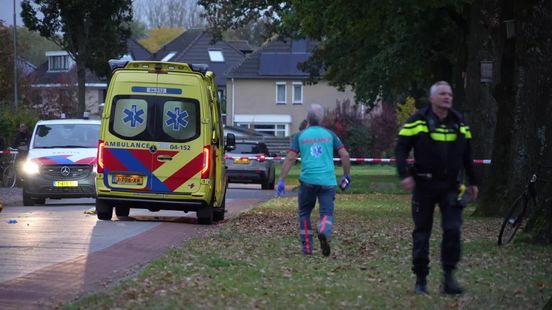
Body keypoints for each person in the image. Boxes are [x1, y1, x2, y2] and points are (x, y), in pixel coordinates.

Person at [395, 81, 479, 295]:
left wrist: (474, 182)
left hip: (451, 186)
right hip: (424, 185)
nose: (447, 97)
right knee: (422, 233)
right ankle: (421, 279)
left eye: (449, 94)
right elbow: (401, 148)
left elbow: (468, 155)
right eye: (442, 94)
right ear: (432, 98)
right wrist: (404, 175)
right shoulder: (418, 121)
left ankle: (449, 278)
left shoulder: (460, 122)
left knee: (452, 230)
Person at [276, 104, 351, 256]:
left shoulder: (300, 136)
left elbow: (290, 158)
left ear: (308, 119)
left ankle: (307, 248)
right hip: (327, 182)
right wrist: (346, 175)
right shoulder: (330, 135)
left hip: (308, 182)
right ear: (321, 119)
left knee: (304, 213)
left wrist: (281, 179)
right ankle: (323, 229)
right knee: (326, 213)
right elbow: (345, 155)